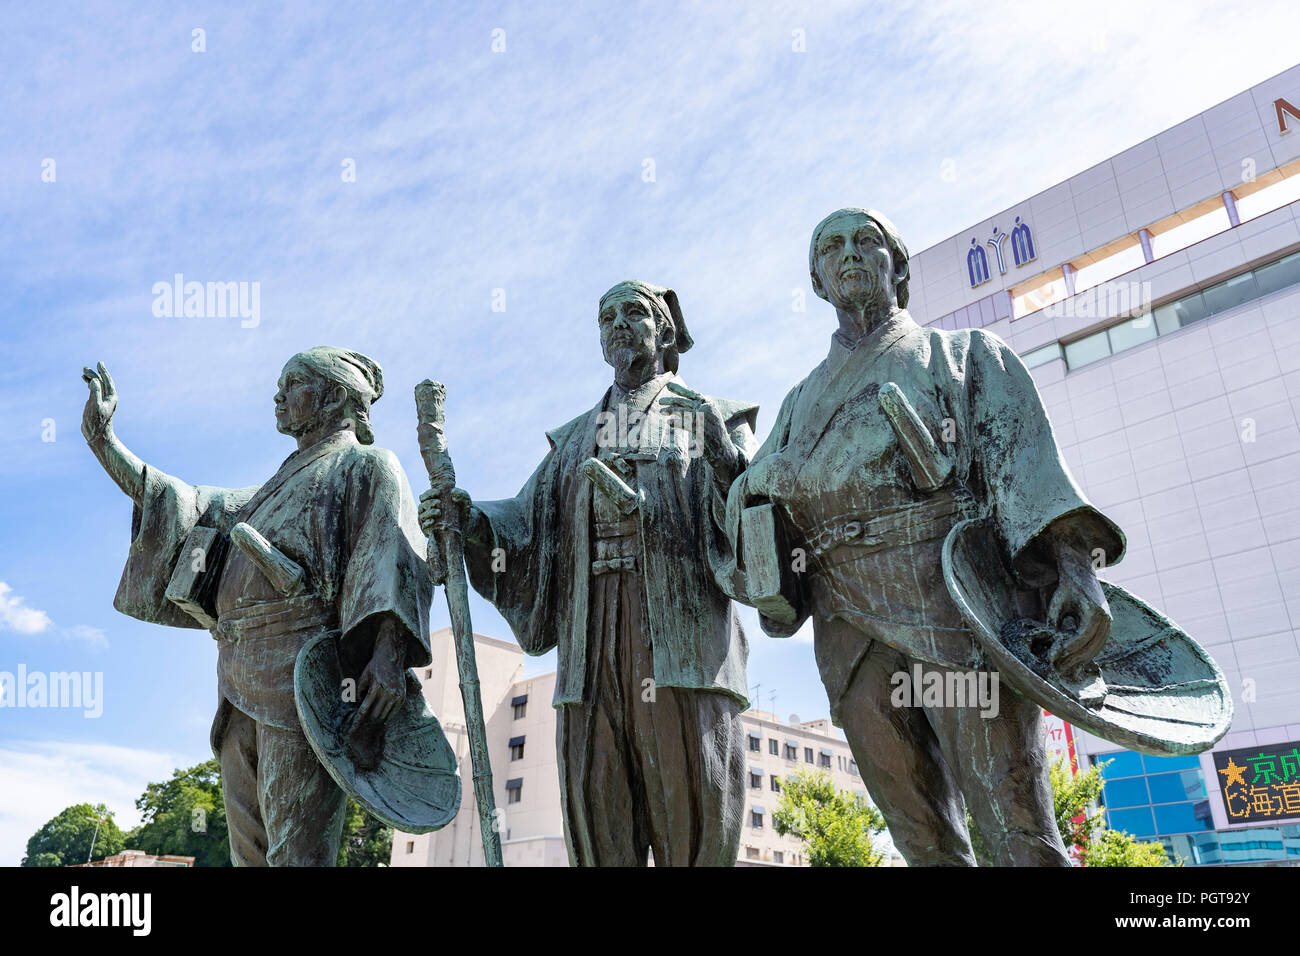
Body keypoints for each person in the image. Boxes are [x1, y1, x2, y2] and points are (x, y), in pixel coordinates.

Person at [722, 209, 1124, 866]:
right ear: (817, 281)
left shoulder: (964, 356)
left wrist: (1075, 568)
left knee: (1013, 819)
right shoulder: (798, 403)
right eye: (830, 247)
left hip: (956, 605)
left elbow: (1026, 468)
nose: (848, 253)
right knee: (921, 838)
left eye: (866, 240)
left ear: (898, 266)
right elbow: (756, 515)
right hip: (848, 629)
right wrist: (753, 487)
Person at [420, 280, 757, 866]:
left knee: (694, 805)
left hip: (679, 647)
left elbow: (753, 511)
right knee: (597, 805)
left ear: (666, 331)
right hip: (590, 637)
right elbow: (522, 523)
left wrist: (720, 470)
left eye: (634, 312)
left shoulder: (709, 418)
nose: (618, 323)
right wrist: (467, 519)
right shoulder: (575, 439)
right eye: (607, 316)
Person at [81, 347, 432, 865]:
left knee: (298, 853)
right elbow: (182, 501)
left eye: (293, 383)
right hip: (238, 678)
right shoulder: (268, 491)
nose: (278, 394)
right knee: (249, 851)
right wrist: (104, 442)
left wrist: (389, 652)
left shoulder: (366, 466)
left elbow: (396, 555)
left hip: (307, 684)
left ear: (335, 395)